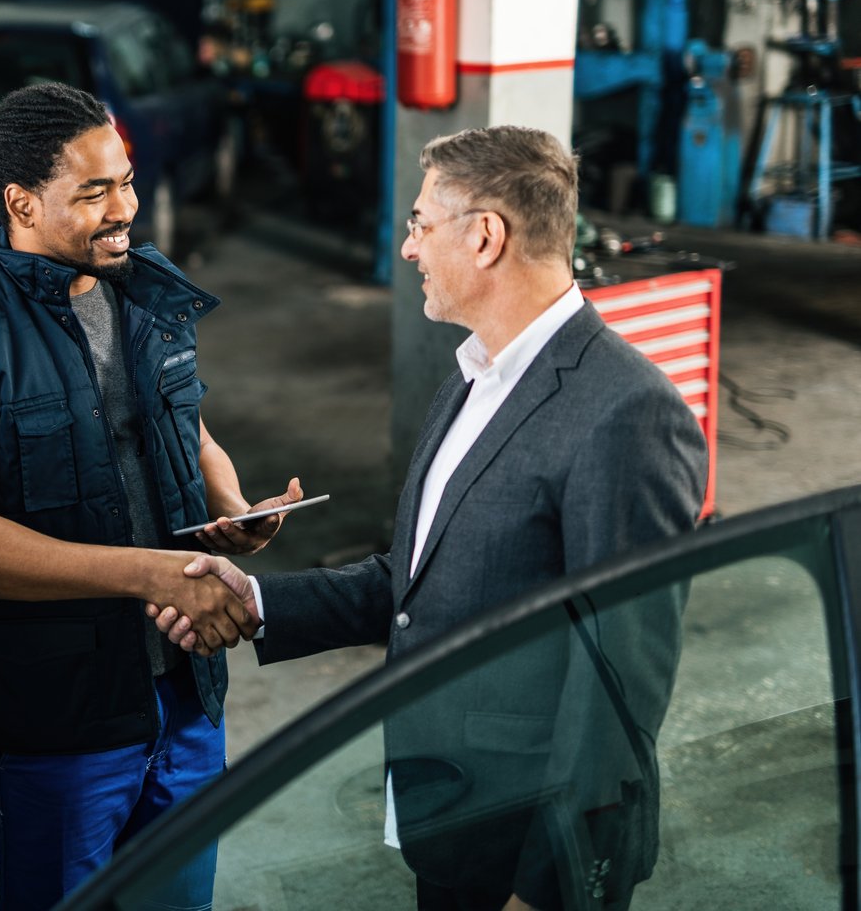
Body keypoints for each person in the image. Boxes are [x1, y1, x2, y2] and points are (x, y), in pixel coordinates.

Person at [153, 126, 708, 911]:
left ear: (485, 237)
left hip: (525, 847)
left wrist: (548, 887)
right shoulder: (472, 378)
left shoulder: (628, 413)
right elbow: (420, 583)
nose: (408, 247)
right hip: (450, 811)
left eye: (419, 224)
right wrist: (258, 599)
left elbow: (620, 684)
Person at [0, 81, 303, 911]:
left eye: (127, 182)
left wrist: (230, 507)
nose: (125, 210)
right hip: (63, 720)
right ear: (22, 202)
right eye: (94, 192)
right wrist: (146, 572)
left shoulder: (143, 290)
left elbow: (185, 424)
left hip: (187, 696)